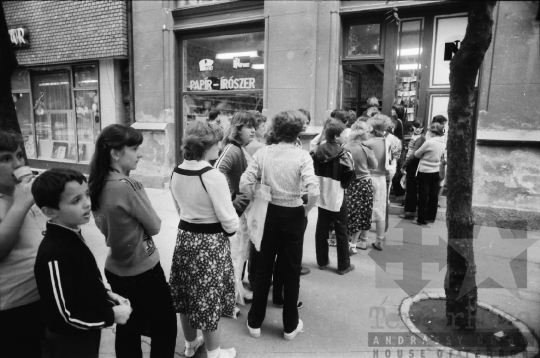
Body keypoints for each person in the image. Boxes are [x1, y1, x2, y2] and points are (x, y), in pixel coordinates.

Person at [89, 124, 177, 358]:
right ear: (115, 153)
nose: (140, 154)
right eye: (135, 148)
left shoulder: (95, 184)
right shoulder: (129, 186)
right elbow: (155, 226)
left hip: (116, 268)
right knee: (165, 327)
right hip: (143, 269)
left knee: (128, 327)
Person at [32, 169, 132, 358]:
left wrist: (108, 295)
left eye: (86, 195)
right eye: (76, 200)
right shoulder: (54, 252)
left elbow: (81, 284)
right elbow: (62, 317)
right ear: (49, 211)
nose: (87, 203)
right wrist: (111, 315)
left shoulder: (70, 234)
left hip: (85, 333)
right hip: (70, 343)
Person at [240, 110, 319, 341]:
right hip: (293, 213)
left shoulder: (263, 153)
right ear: (298, 131)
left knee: (263, 268)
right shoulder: (302, 156)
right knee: (291, 270)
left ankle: (255, 322)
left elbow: (245, 182)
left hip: (268, 213)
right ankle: (289, 326)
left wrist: (256, 197)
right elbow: (313, 188)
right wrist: (306, 208)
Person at [169, 121, 238, 358]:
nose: (219, 147)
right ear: (205, 146)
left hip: (185, 239)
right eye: (217, 143)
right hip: (209, 244)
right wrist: (230, 231)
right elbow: (229, 219)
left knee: (187, 296)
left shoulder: (177, 170)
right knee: (210, 299)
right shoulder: (212, 175)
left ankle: (190, 345)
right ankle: (215, 352)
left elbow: (178, 208)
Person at [0, 130, 48, 358]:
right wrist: (20, 205)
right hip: (14, 308)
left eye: (19, 156)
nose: (17, 164)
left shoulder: (26, 192)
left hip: (44, 298)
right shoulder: (19, 199)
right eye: (5, 159)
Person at [215, 111, 256, 305]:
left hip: (243, 211)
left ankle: (237, 292)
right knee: (235, 254)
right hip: (236, 212)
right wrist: (231, 196)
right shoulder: (232, 149)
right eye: (249, 126)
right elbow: (217, 172)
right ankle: (230, 297)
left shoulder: (240, 148)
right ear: (238, 129)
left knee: (240, 254)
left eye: (254, 126)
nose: (253, 130)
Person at [313, 121, 356, 274]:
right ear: (337, 136)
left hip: (321, 191)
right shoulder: (343, 153)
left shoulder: (317, 150)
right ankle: (343, 265)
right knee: (341, 229)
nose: (347, 137)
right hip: (337, 192)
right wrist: (343, 185)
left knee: (322, 226)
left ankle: (322, 261)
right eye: (344, 134)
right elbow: (350, 172)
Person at [344, 121, 378, 254]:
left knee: (348, 214)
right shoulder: (366, 148)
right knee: (361, 215)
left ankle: (345, 242)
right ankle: (353, 245)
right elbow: (374, 166)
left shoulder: (344, 146)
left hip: (348, 184)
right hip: (363, 184)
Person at [414, 123, 447, 226]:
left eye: (429, 131)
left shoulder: (429, 142)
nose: (428, 132)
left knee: (423, 194)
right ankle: (431, 217)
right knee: (433, 195)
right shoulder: (443, 143)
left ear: (433, 132)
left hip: (424, 170)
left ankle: (421, 219)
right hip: (436, 170)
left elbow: (417, 154)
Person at [365, 116, 389, 251]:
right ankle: (379, 239)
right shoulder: (390, 142)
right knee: (381, 209)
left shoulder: (369, 143)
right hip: (382, 178)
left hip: (370, 176)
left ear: (372, 128)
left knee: (366, 208)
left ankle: (363, 239)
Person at [399, 119, 424, 219]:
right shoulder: (413, 136)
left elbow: (413, 154)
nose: (418, 129)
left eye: (420, 127)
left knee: (411, 189)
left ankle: (410, 212)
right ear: (412, 126)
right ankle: (409, 211)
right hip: (410, 163)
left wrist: (404, 165)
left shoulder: (420, 139)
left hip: (413, 164)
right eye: (416, 127)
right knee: (409, 188)